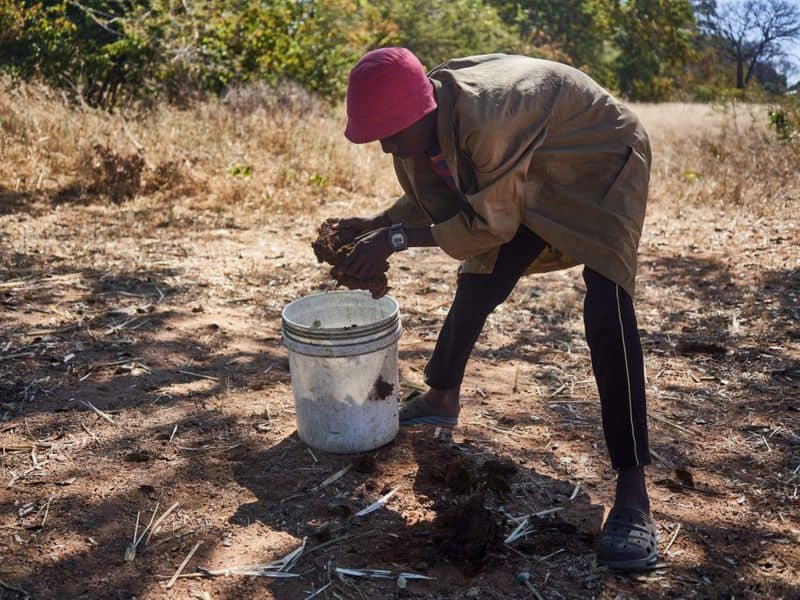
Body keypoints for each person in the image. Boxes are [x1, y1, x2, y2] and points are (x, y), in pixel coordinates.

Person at [326, 47, 657, 571]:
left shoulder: (489, 117)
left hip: (601, 159)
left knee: (607, 303)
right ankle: (441, 396)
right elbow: (436, 201)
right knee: (482, 277)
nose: (386, 145)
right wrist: (377, 221)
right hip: (535, 165)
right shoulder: (422, 117)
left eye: (390, 132)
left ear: (421, 109)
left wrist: (392, 238)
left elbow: (490, 225)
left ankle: (634, 493)